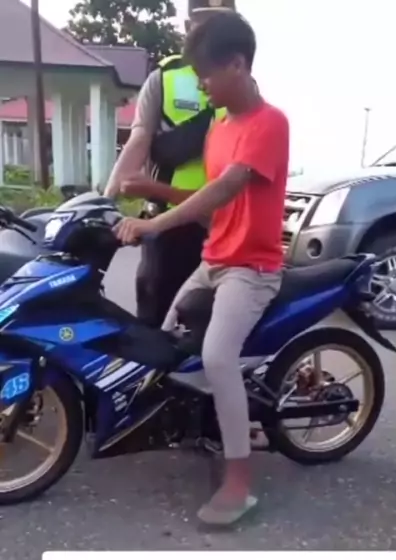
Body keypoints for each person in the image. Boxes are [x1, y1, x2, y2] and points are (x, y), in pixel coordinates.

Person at [115, 11, 290, 526]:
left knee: (216, 357)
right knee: (163, 344)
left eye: (206, 74)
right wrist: (145, 199)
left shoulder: (269, 123)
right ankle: (198, 427)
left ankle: (239, 482)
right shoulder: (218, 129)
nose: (200, 84)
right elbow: (210, 202)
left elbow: (227, 187)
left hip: (251, 268)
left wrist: (153, 224)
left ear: (237, 64)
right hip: (213, 258)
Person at [104, 0, 236, 328]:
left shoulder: (240, 83)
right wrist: (105, 202)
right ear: (188, 27)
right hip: (166, 226)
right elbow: (139, 139)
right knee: (154, 321)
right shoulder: (163, 78)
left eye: (220, 25)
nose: (210, 35)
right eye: (203, 24)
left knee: (206, 329)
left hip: (220, 228)